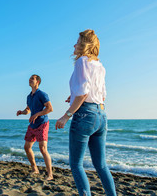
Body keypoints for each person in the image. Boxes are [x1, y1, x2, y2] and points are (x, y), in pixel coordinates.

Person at [55, 29, 116, 196]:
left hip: (84, 115)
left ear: (84, 45)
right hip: (101, 114)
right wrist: (73, 95)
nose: (74, 45)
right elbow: (100, 94)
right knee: (101, 165)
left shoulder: (82, 61)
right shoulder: (100, 66)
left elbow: (83, 93)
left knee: (76, 164)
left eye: (77, 42)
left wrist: (66, 115)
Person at [16, 74, 53, 180]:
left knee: (43, 149)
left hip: (42, 123)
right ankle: (35, 169)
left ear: (37, 82)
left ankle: (50, 174)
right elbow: (28, 109)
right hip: (32, 124)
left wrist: (36, 114)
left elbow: (50, 109)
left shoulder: (42, 94)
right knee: (27, 147)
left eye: (32, 79)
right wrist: (22, 112)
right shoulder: (29, 96)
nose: (30, 80)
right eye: (29, 78)